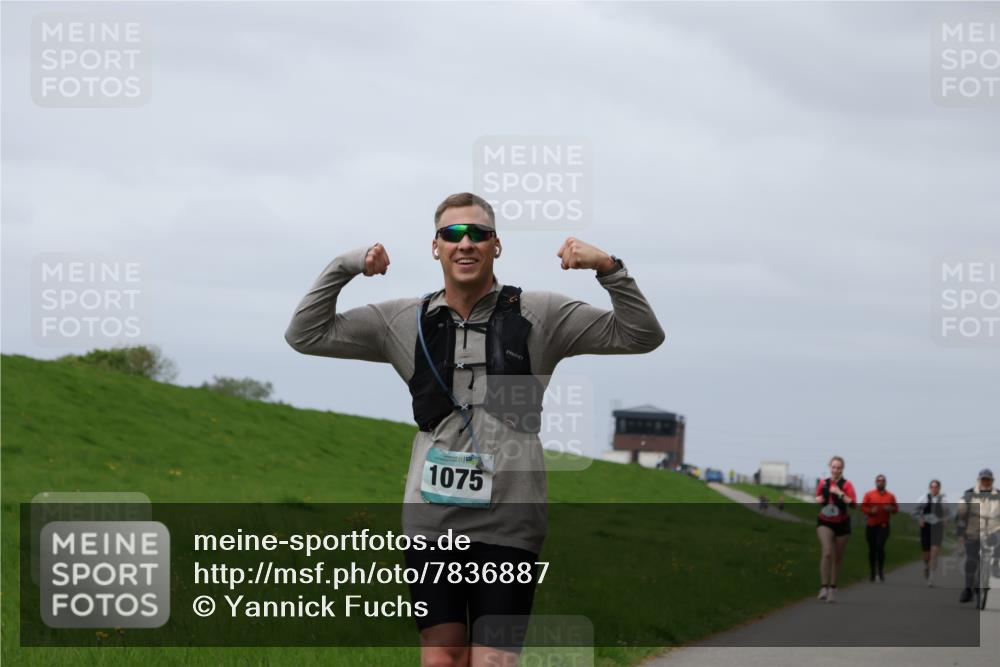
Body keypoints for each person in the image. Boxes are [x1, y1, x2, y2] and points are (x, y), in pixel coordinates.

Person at [284, 193, 665, 666]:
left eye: (478, 234)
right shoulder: (403, 320)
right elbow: (305, 334)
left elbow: (642, 334)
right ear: (436, 247)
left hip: (511, 522)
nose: (466, 244)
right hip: (431, 525)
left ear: (496, 246)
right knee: (442, 655)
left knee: (493, 660)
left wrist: (608, 267)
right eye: (452, 234)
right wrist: (346, 265)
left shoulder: (540, 313)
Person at [815, 456, 857, 603]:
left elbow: (853, 504)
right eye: (833, 467)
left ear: (842, 469)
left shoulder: (847, 485)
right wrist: (818, 499)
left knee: (837, 557)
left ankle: (833, 587)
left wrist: (839, 493)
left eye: (839, 467)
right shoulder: (823, 483)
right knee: (827, 552)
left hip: (842, 523)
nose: (836, 470)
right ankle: (823, 587)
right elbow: (818, 496)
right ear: (830, 467)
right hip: (825, 521)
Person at [955, 468, 1000, 606]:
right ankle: (968, 589)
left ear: (992, 481)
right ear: (979, 480)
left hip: (994, 530)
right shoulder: (970, 494)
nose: (986, 482)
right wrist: (962, 509)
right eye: (983, 479)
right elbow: (962, 505)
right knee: (971, 560)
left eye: (988, 479)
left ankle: (994, 566)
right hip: (973, 530)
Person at [861, 474, 899, 583]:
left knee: (880, 546)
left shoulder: (890, 496)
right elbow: (863, 507)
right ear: (875, 482)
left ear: (885, 483)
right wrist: (870, 511)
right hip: (871, 525)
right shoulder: (869, 494)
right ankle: (873, 573)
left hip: (883, 526)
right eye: (878, 481)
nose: (880, 482)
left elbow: (896, 509)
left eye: (882, 481)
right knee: (872, 549)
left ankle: (881, 572)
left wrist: (890, 508)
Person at [912, 479, 949, 587]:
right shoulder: (923, 499)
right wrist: (920, 519)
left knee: (934, 553)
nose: (934, 489)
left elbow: (947, 513)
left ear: (939, 488)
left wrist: (946, 519)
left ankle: (931, 579)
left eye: (936, 487)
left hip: (937, 527)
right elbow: (914, 512)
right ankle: (926, 566)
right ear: (929, 488)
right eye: (932, 487)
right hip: (926, 527)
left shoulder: (943, 500)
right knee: (926, 554)